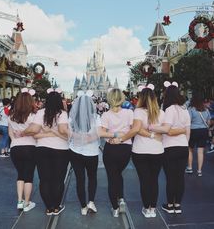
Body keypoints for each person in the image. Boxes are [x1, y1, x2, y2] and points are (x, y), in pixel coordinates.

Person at [113, 84, 165, 218]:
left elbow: (136, 129)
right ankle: (153, 209)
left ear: (141, 98)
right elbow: (165, 130)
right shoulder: (161, 112)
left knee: (144, 180)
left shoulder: (138, 112)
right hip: (157, 150)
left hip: (140, 151)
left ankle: (146, 208)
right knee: (154, 180)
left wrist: (122, 139)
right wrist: (153, 133)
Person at [68, 91, 117, 216]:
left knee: (80, 179)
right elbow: (98, 134)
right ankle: (91, 202)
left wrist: (79, 138)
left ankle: (83, 207)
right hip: (91, 153)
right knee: (92, 177)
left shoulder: (72, 117)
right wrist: (89, 138)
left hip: (75, 151)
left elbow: (69, 134)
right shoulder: (96, 117)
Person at [23, 88, 69, 216]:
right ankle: (56, 207)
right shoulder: (62, 113)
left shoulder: (40, 112)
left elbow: (33, 129)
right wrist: (58, 133)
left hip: (42, 149)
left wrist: (24, 132)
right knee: (58, 179)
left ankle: (49, 207)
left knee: (44, 179)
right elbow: (63, 130)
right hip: (61, 150)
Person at [149, 81, 190, 214]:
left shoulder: (169, 110)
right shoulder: (185, 110)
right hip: (183, 147)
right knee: (180, 177)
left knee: (171, 177)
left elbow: (168, 130)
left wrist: (152, 127)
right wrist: (184, 137)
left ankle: (170, 204)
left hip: (170, 147)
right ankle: (177, 205)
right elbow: (187, 131)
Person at [100, 88, 133, 217]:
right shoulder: (129, 113)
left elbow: (101, 133)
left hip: (111, 148)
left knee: (112, 177)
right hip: (125, 149)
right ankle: (121, 198)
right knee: (118, 174)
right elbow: (132, 131)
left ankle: (115, 208)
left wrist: (113, 136)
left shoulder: (106, 115)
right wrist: (121, 138)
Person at [8, 88, 36, 212]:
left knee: (20, 175)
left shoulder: (11, 116)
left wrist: (16, 138)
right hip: (30, 147)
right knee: (29, 176)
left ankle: (19, 201)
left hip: (15, 147)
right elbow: (35, 133)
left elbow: (11, 134)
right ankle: (27, 203)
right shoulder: (33, 117)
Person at [186, 93, 211, 176]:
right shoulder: (206, 110)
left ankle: (190, 168)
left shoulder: (191, 109)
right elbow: (208, 122)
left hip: (193, 131)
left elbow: (188, 121)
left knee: (190, 149)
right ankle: (199, 171)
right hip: (203, 131)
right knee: (200, 151)